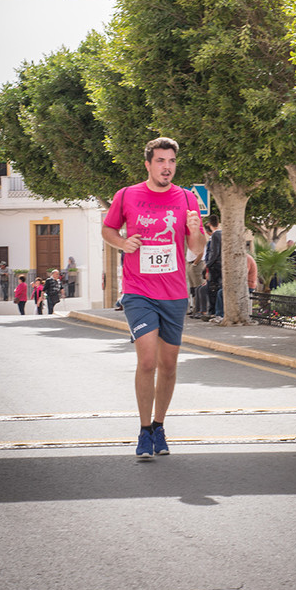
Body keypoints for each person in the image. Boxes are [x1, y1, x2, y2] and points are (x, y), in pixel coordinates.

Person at [101, 136, 206, 459]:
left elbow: (197, 249)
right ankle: (144, 431)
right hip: (139, 291)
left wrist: (194, 229)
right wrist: (122, 243)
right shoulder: (127, 195)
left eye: (171, 161)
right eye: (160, 161)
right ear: (148, 164)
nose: (167, 167)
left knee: (169, 366)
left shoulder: (187, 199)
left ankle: (160, 425)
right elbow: (108, 230)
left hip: (174, 293)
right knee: (147, 361)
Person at [203, 214, 222, 320]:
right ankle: (215, 311)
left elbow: (214, 252)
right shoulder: (222, 234)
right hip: (220, 265)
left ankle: (213, 311)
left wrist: (207, 265)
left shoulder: (215, 235)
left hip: (215, 266)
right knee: (217, 288)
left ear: (209, 224)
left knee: (212, 289)